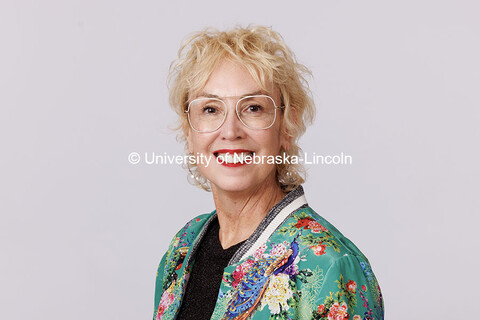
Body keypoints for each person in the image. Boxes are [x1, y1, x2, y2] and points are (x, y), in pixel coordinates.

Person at [153, 26, 384, 320]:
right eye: (210, 109)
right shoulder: (184, 246)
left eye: (253, 108)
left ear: (287, 126)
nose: (230, 131)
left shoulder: (329, 265)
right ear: (188, 130)